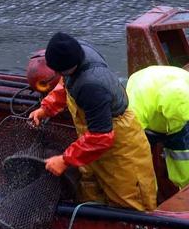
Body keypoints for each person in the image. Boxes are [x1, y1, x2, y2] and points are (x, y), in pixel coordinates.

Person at [27, 32, 157, 212]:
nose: (56, 75)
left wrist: (64, 160)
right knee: (90, 192)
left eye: (58, 71)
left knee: (131, 204)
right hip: (89, 144)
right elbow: (66, 83)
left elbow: (101, 136)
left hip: (119, 145)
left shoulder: (92, 87)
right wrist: (46, 108)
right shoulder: (77, 52)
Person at [125, 64, 189, 190]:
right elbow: (129, 140)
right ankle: (147, 198)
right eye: (175, 119)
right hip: (146, 128)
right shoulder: (137, 102)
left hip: (180, 130)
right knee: (139, 175)